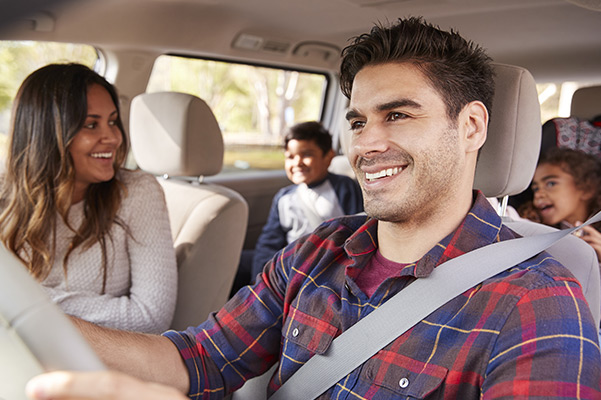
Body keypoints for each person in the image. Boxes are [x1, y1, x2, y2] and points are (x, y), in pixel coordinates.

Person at [26, 17, 601, 400]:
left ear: (471, 126)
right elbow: (200, 357)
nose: (367, 144)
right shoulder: (317, 252)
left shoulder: (536, 304)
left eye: (397, 115)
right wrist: (30, 319)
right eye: (357, 120)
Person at [0, 63, 177, 334]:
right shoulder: (5, 193)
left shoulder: (137, 193)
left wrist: (25, 301)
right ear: (47, 135)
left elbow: (150, 318)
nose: (114, 137)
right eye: (91, 125)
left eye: (113, 121)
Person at [251, 121, 363, 280]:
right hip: (290, 265)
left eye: (307, 155)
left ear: (328, 156)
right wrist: (261, 278)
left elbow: (358, 231)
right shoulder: (283, 197)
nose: (297, 163)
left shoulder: (344, 187)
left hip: (329, 264)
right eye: (290, 157)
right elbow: (268, 242)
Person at [519, 147, 601, 258]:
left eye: (551, 184)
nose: (539, 194)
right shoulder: (536, 231)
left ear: (587, 188)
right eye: (536, 189)